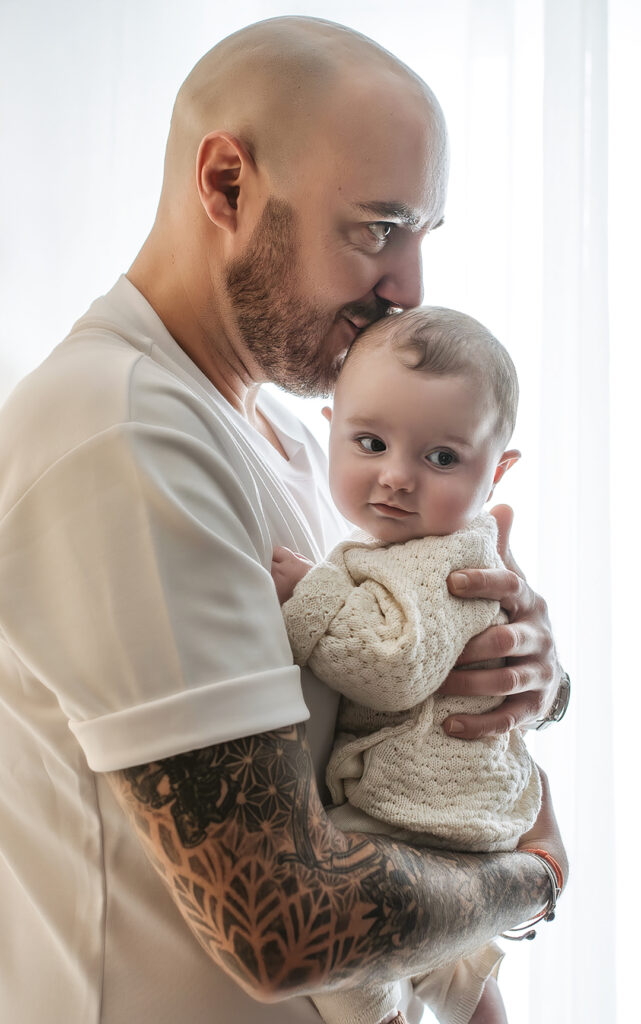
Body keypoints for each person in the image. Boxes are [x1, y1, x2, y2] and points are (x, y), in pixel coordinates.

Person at [0, 17, 568, 1024]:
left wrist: (508, 667)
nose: (409, 289)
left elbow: (392, 721)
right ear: (226, 186)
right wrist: (532, 876)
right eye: (376, 228)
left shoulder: (304, 446)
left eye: (422, 235)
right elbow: (284, 925)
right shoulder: (120, 433)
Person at [272, 306, 546, 1024]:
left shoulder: (450, 560)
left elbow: (394, 667)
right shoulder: (405, 547)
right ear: (330, 428)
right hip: (453, 811)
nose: (395, 477)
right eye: (369, 442)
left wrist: (310, 591)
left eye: (441, 458)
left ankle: (381, 1016)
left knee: (328, 920)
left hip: (425, 811)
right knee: (455, 966)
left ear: (497, 472)